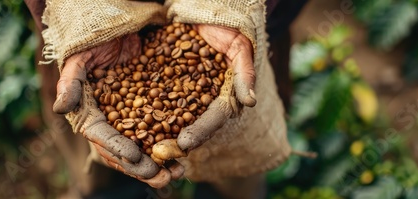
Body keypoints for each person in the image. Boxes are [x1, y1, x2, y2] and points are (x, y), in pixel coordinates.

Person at [24, 0, 307, 198]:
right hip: (89, 34)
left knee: (236, 163)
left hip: (241, 20)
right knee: (97, 160)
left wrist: (230, 8)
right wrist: (79, 14)